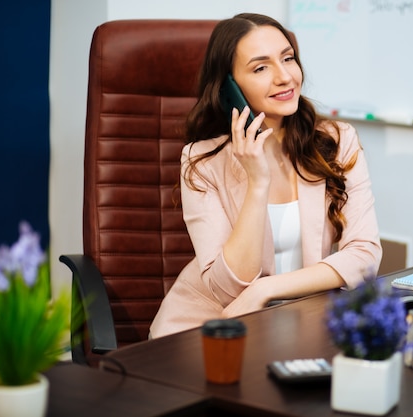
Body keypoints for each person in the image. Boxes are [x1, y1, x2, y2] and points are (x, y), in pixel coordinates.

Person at [149, 13, 382, 338]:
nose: (285, 76)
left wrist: (266, 290)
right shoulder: (200, 161)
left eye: (288, 59)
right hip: (211, 329)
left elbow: (364, 256)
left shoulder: (337, 141)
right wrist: (257, 183)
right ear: (230, 86)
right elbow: (228, 288)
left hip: (300, 325)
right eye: (261, 68)